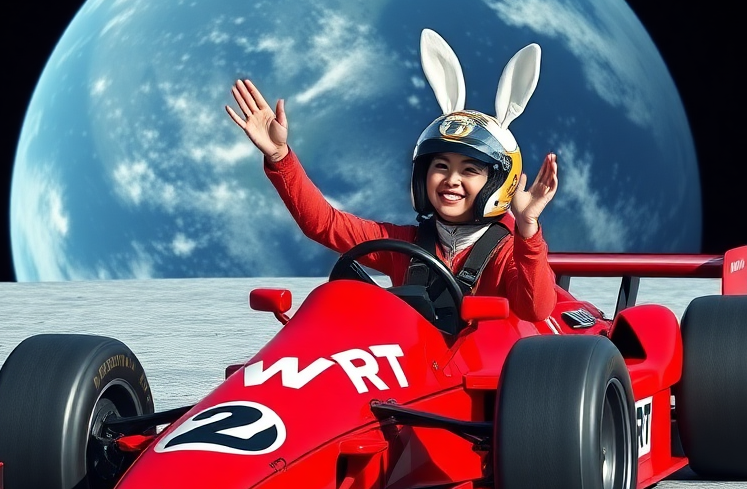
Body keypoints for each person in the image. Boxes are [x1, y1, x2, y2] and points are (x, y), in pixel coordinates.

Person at [225, 30, 559, 324]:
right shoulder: (405, 244)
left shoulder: (508, 253)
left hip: (491, 382)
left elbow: (536, 308)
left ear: (498, 183)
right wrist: (280, 157)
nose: (451, 180)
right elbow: (324, 224)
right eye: (440, 166)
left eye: (469, 170)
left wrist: (527, 227)